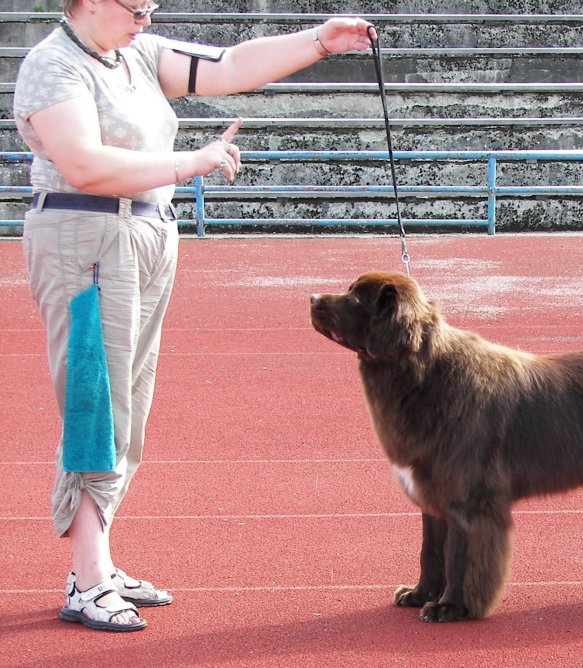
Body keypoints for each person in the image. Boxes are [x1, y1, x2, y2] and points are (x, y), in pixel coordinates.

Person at [14, 0, 376, 632]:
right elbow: (84, 165)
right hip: (86, 236)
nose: (147, 16)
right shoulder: (54, 65)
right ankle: (88, 576)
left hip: (147, 234)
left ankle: (95, 562)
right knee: (96, 402)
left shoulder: (139, 55)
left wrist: (320, 40)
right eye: (137, 5)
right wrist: (192, 162)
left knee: (131, 399)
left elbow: (232, 64)